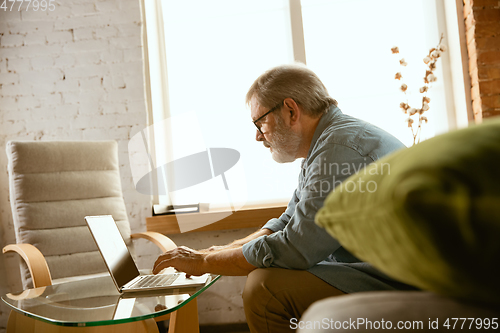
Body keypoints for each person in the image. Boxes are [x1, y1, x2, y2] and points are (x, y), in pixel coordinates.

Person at [153, 64, 414, 332]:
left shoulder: (339, 150)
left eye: (260, 122)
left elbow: (295, 248)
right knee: (265, 273)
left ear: (290, 111)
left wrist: (205, 263)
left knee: (265, 288)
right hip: (374, 269)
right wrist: (214, 252)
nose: (257, 135)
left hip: (401, 282)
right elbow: (286, 222)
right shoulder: (327, 144)